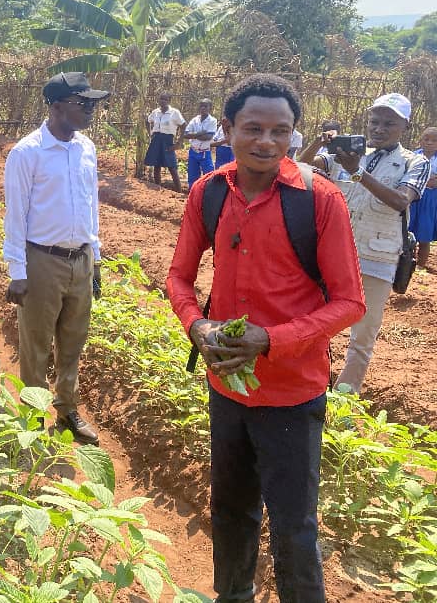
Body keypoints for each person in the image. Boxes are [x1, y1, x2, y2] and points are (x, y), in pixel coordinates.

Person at [167, 74, 365, 603]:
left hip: (292, 394)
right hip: (227, 387)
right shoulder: (207, 193)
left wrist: (271, 340)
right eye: (253, 128)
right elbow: (179, 278)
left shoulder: (319, 201)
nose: (267, 142)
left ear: (294, 135)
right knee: (230, 511)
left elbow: (350, 302)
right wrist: (197, 324)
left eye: (281, 131)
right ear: (227, 128)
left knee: (294, 526)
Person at [3, 71, 107, 446]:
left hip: (79, 259)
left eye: (93, 103)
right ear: (58, 106)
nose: (91, 110)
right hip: (41, 260)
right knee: (36, 344)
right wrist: (18, 271)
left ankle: (66, 412)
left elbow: (90, 205)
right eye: (84, 104)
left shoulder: (86, 148)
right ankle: (32, 418)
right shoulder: (27, 153)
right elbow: (15, 214)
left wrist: (94, 258)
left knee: (72, 341)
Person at [311, 93, 430, 393]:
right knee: (313, 322)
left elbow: (400, 201)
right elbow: (301, 166)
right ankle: (311, 389)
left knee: (362, 336)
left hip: (377, 258)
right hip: (333, 253)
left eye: (389, 123)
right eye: (374, 121)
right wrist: (319, 143)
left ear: (405, 125)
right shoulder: (349, 151)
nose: (379, 128)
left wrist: (357, 173)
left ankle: (343, 401)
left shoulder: (414, 162)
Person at [144, 92, 186, 191]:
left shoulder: (174, 112)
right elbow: (148, 121)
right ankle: (157, 187)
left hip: (168, 140)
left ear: (169, 101)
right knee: (156, 165)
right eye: (161, 99)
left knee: (172, 165)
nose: (162, 101)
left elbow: (183, 125)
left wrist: (179, 142)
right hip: (156, 139)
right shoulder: (155, 112)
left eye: (165, 99)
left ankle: (179, 190)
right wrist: (150, 133)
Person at [409, 126, 437, 270]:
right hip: (414, 198)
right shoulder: (413, 156)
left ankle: (421, 265)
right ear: (420, 140)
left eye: (434, 140)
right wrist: (429, 179)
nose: (429, 143)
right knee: (409, 231)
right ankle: (408, 261)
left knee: (424, 232)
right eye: (426, 139)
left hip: (431, 200)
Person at [183, 97, 218, 189]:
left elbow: (208, 137)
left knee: (209, 175)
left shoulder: (213, 121)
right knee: (192, 175)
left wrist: (193, 135)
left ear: (210, 108)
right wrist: (200, 133)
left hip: (204, 153)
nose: (203, 108)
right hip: (193, 152)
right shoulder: (195, 120)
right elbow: (185, 135)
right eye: (201, 106)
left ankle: (208, 195)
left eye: (205, 106)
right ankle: (192, 194)